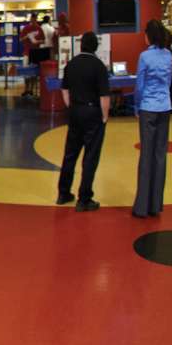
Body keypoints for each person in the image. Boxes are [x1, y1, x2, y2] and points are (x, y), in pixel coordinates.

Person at [56, 32, 109, 212]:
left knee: (70, 153)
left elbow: (64, 90)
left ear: (81, 45)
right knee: (90, 157)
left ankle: (63, 193)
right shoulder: (99, 66)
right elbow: (104, 96)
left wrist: (71, 106)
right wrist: (104, 117)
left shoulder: (71, 64)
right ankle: (84, 198)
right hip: (92, 112)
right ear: (96, 47)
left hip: (75, 112)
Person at [132, 19, 172, 218]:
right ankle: (156, 204)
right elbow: (169, 81)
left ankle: (142, 206)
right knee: (160, 155)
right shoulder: (168, 55)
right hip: (164, 107)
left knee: (146, 155)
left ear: (148, 35)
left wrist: (136, 106)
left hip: (148, 108)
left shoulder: (144, 56)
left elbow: (139, 85)